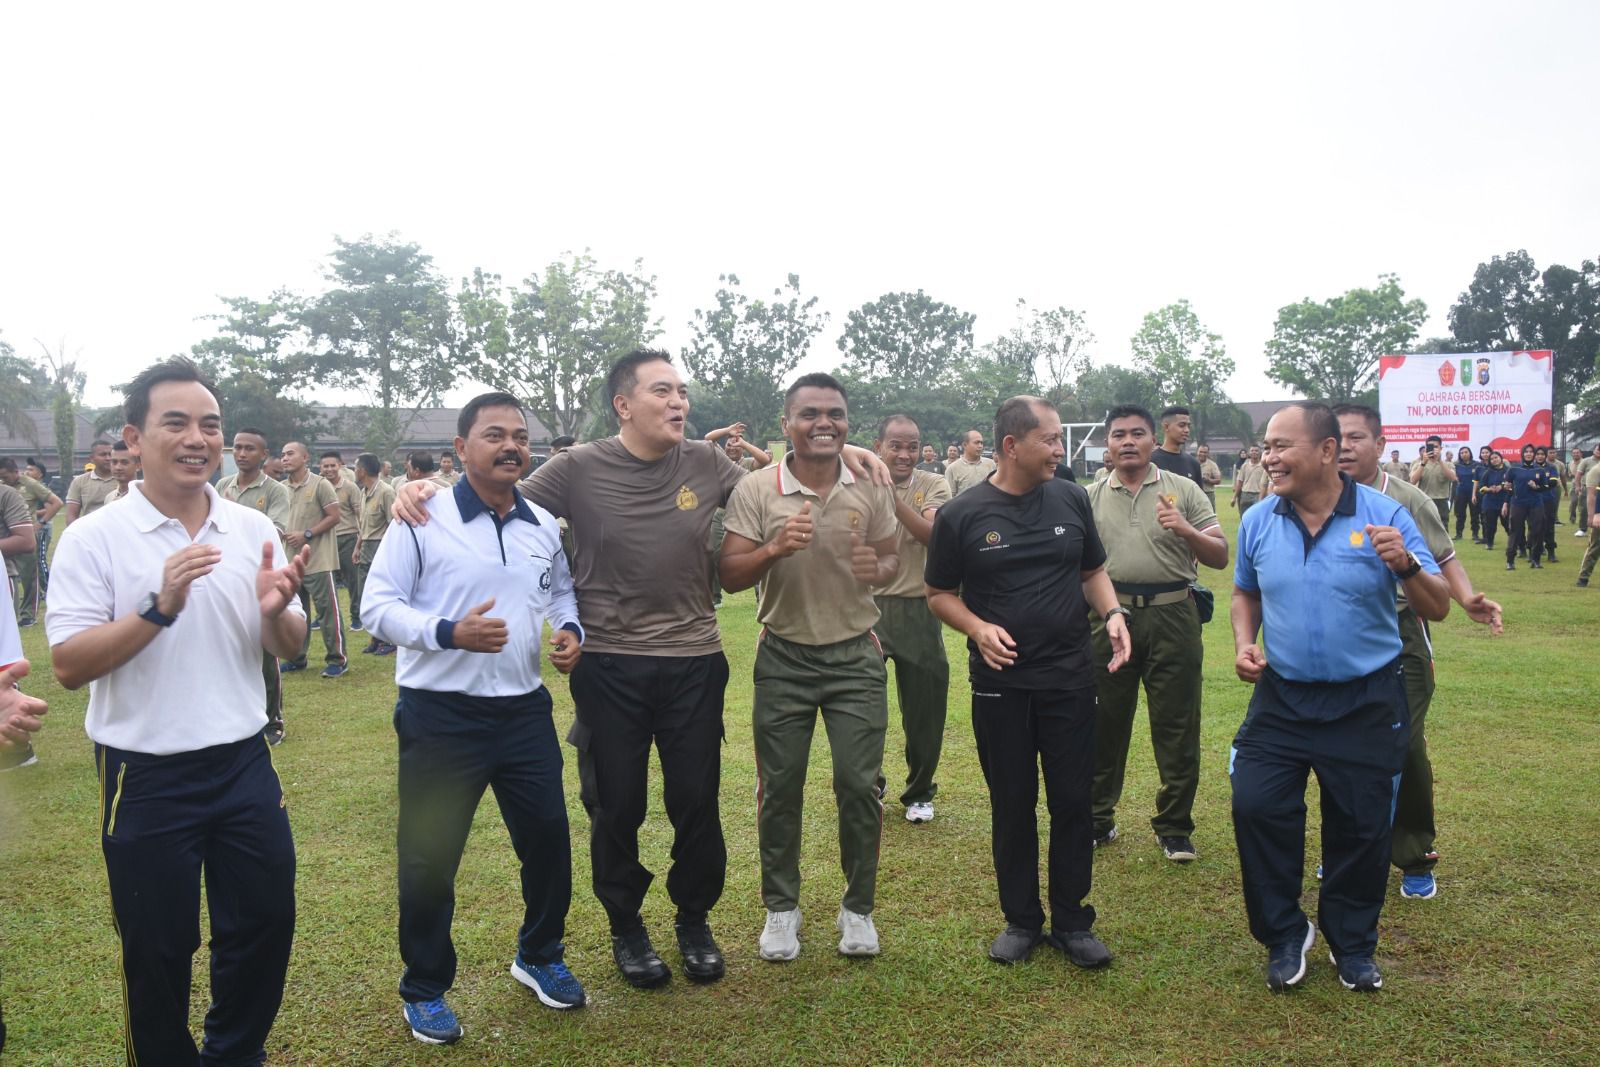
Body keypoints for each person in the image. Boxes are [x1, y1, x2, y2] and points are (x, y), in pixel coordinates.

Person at [393, 351, 892, 986]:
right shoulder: (577, 468)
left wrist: (848, 454)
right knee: (616, 805)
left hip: (694, 660)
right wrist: (424, 489)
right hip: (610, 664)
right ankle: (627, 928)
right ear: (623, 405)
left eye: (682, 392)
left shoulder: (709, 463)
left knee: (696, 802)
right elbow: (500, 493)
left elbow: (787, 473)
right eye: (664, 392)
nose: (679, 402)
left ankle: (693, 920)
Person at [46, 356, 308, 1064]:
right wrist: (158, 607)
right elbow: (69, 663)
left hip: (244, 760)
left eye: (211, 425)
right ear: (134, 437)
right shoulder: (94, 537)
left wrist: (277, 609)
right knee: (157, 947)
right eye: (177, 423)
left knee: (264, 922)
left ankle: (234, 1052)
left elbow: (289, 639)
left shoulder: (251, 525)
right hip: (145, 774)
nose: (198, 438)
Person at [363, 392, 587, 1043]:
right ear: (462, 448)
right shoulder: (422, 516)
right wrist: (446, 632)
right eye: (495, 434)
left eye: (520, 435)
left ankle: (539, 954)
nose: (511, 444)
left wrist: (570, 628)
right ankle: (425, 986)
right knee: (429, 857)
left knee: (548, 839)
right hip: (441, 717)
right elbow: (376, 606)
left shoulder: (543, 522)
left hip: (523, 712)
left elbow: (561, 587)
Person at [1229, 402, 1448, 993]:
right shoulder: (1258, 520)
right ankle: (1283, 933)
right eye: (1265, 446)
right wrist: (1246, 642)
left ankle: (1352, 943)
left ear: (1326, 451)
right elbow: (1244, 594)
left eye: (1281, 446)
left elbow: (1438, 606)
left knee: (1361, 824)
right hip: (1282, 698)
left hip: (1366, 700)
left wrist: (1405, 566)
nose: (1268, 458)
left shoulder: (1385, 515)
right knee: (1256, 805)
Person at [925, 395, 1129, 967]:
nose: (1061, 451)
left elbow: (1092, 570)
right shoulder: (962, 515)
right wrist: (977, 626)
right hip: (1001, 685)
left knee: (1072, 801)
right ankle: (1020, 920)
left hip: (1068, 676)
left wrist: (1113, 614)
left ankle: (1072, 921)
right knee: (1012, 802)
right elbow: (939, 593)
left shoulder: (1069, 496)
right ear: (1012, 446)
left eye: (1060, 439)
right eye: (1052, 440)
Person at [720, 373, 900, 962]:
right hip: (784, 656)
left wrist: (878, 565)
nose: (824, 423)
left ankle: (858, 910)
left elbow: (891, 559)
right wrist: (774, 548)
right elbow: (729, 575)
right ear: (786, 425)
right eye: (810, 414)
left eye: (835, 414)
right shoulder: (755, 488)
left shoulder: (870, 482)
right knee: (780, 787)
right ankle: (781, 909)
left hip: (855, 654)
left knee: (858, 783)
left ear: (848, 424)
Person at [1335, 406, 1504, 902]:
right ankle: (1347, 849)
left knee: (1403, 743)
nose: (1345, 447)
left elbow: (1445, 556)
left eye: (1356, 437)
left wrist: (1466, 597)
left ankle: (1412, 856)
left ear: (1381, 445)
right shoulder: (1317, 499)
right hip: (1343, 633)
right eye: (1337, 437)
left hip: (1403, 630)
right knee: (1340, 746)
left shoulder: (1405, 499)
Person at [1088, 405, 1228, 863]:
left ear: (1153, 440)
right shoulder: (1088, 497)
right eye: (1118, 435)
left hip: (1173, 616)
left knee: (1177, 724)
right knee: (1102, 722)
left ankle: (1174, 827)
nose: (1127, 442)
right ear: (1107, 444)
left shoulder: (1183, 489)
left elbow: (1220, 555)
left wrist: (1186, 529)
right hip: (1109, 617)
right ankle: (1097, 820)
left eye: (1137, 434)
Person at [872, 414, 952, 824]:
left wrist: (892, 500)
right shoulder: (853, 483)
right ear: (877, 446)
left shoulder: (933, 483)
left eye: (912, 446)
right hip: (865, 610)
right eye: (896, 446)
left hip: (918, 609)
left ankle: (920, 790)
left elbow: (933, 537)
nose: (905, 454)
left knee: (925, 709)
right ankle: (871, 782)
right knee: (863, 708)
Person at [217, 428, 294, 744]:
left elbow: (272, 531)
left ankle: (273, 720)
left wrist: (235, 516)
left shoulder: (275, 491)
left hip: (261, 580)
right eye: (237, 448)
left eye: (250, 449)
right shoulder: (222, 486)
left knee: (265, 653)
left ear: (264, 455)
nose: (241, 454)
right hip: (225, 577)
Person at [281, 441, 348, 676]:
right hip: (291, 561)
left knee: (327, 612)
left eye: (290, 454)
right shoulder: (281, 488)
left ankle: (337, 660)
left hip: (318, 560)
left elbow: (334, 516)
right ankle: (297, 658)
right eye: (283, 455)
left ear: (305, 457)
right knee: (297, 613)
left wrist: (307, 534)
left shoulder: (320, 484)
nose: (285, 458)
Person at [0, 459, 59, 626]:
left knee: (29, 575)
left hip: (25, 534)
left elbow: (56, 503)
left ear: (14, 472)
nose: (3, 479)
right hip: (7, 536)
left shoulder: (30, 484)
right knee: (14, 575)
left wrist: (41, 523)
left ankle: (28, 615)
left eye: (5, 476)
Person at [352, 453, 397, 655]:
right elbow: (363, 525)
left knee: (383, 594)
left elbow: (394, 524)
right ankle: (376, 638)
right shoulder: (364, 492)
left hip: (381, 547)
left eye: (355, 468)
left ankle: (390, 640)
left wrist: (388, 553)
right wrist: (357, 547)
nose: (354, 472)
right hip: (367, 548)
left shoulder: (386, 492)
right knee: (367, 594)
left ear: (362, 471)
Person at [319, 451, 366, 632]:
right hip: (325, 539)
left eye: (333, 465)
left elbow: (359, 516)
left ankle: (356, 617)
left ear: (340, 466)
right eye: (326, 466)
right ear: (320, 467)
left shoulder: (350, 487)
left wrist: (359, 542)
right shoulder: (318, 486)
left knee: (353, 581)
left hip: (348, 538)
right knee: (324, 582)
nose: (329, 469)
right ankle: (323, 618)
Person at [1502, 444, 1550, 570]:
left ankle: (1535, 559)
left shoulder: (1539, 470)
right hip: (1518, 503)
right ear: (1522, 453)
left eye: (1531, 452)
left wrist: (1536, 487)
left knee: (1537, 531)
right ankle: (1510, 561)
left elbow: (1545, 487)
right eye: (1526, 452)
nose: (1528, 454)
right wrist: (1506, 491)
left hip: (1536, 503)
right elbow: (1507, 486)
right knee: (1515, 531)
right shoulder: (1514, 469)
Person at [64, 438, 118, 524]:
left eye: (110, 454)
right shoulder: (79, 481)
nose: (108, 458)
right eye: (103, 455)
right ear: (91, 458)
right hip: (90, 532)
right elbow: (72, 515)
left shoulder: (123, 479)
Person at [1150, 406, 1205, 488]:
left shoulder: (1193, 463)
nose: (1187, 430)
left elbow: (1199, 498)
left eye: (1188, 426)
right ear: (1166, 427)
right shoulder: (1150, 462)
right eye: (1182, 425)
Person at [1408, 434, 1456, 528]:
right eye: (1430, 447)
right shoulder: (1419, 464)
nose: (1433, 449)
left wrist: (1440, 461)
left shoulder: (1448, 464)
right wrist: (1423, 464)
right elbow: (1413, 481)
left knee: (1442, 528)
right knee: (1424, 528)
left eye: (1436, 447)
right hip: (1424, 499)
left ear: (1441, 448)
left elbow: (1453, 478)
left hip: (1441, 501)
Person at [946, 430, 996, 497]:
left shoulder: (991, 464)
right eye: (976, 443)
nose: (980, 446)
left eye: (981, 443)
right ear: (965, 445)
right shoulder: (952, 469)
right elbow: (949, 497)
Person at [1477, 450, 1510, 550]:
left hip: (1504, 501)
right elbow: (1481, 488)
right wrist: (1489, 489)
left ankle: (1515, 542)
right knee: (1490, 524)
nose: (1494, 460)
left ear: (1501, 458)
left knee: (1507, 523)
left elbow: (1512, 483)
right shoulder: (1488, 472)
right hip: (1490, 502)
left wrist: (1501, 486)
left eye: (1496, 458)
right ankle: (1489, 543)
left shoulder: (1508, 471)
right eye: (1492, 459)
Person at [1576, 457, 1600, 587]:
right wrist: (1594, 515)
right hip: (1599, 513)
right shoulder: (1596, 471)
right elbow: (1592, 495)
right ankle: (1583, 577)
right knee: (1595, 546)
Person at [1534, 446, 1560, 562]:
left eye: (1542, 454)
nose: (1540, 456)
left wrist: (1538, 486)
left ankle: (1551, 552)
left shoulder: (1551, 467)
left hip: (1548, 501)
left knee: (1549, 527)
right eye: (1538, 454)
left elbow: (1553, 483)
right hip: (1533, 502)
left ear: (1546, 456)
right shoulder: (1530, 468)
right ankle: (1535, 551)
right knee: (1534, 527)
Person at [1452, 446, 1481, 543]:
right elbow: (1452, 476)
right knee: (1460, 514)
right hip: (1461, 492)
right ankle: (1458, 533)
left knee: (1475, 514)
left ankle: (1475, 534)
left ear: (1470, 453)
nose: (1464, 454)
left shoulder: (1477, 464)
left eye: (1466, 452)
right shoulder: (1456, 465)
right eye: (1462, 453)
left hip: (1473, 493)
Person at [1234, 445, 1267, 512]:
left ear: (1260, 452)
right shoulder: (1244, 466)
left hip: (1258, 494)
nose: (1254, 452)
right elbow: (1240, 481)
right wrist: (1234, 497)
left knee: (1256, 516)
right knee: (1244, 517)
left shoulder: (1264, 466)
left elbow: (1267, 483)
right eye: (1252, 451)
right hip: (1245, 494)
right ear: (1249, 453)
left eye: (1256, 451)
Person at [1197, 443, 1223, 510]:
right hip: (1195, 493)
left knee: (1210, 515)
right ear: (1197, 452)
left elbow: (1218, 480)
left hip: (1208, 494)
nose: (1202, 454)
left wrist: (1208, 480)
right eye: (1201, 452)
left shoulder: (1212, 465)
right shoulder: (1192, 462)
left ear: (1208, 453)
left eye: (1205, 452)